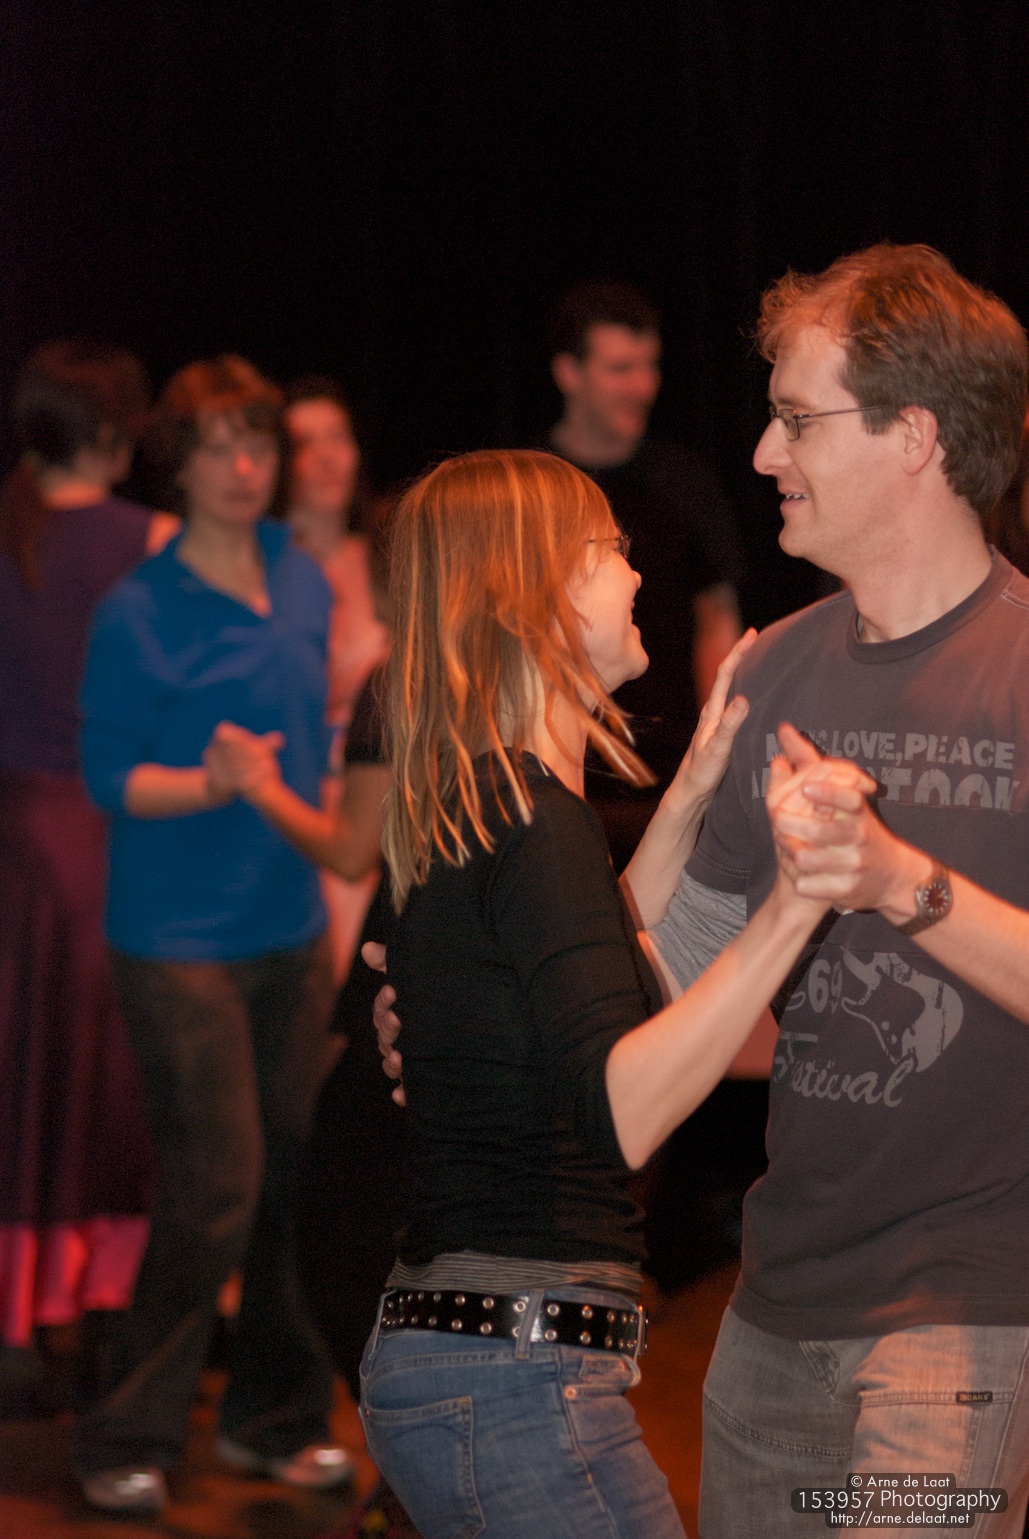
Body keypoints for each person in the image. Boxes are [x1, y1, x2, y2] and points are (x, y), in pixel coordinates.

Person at [357, 447, 869, 1539]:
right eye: (609, 550)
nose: (638, 573)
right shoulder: (532, 819)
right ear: (533, 595)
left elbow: (584, 962)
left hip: (475, 1361)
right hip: (514, 1375)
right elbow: (624, 1106)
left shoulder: (486, 799)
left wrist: (691, 790)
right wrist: (795, 904)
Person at [636, 244, 1029, 1536]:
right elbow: (673, 969)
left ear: (914, 436)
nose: (763, 453)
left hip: (966, 1316)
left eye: (796, 419)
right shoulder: (771, 672)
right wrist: (483, 1009)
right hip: (776, 1308)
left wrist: (897, 879)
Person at [73, 356, 351, 1515]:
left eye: (259, 444)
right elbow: (109, 777)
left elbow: (316, 744)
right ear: (178, 467)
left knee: (291, 1178)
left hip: (289, 925)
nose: (246, 467)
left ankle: (271, 1419)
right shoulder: (139, 609)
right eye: (221, 448)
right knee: (217, 1184)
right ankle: (122, 1435)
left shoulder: (301, 575)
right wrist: (213, 782)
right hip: (176, 939)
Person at [0, 340, 175, 1403]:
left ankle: (21, 1320)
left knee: (22, 1082)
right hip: (111, 847)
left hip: (15, 850)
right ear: (115, 431)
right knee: (111, 1090)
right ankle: (105, 1309)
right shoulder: (148, 544)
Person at [545, 280, 746, 865]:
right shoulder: (536, 486)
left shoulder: (684, 482)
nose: (642, 386)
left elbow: (717, 622)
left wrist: (713, 748)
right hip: (559, 771)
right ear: (569, 373)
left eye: (649, 366)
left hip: (666, 777)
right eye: (620, 369)